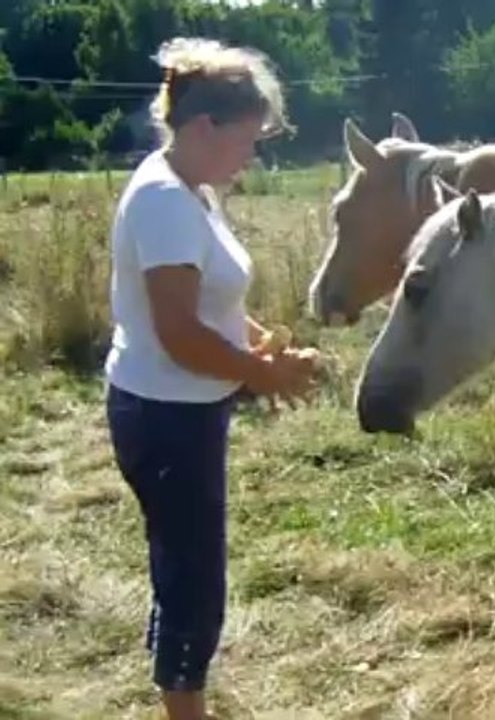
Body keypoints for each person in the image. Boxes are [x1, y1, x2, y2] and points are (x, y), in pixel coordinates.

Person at [103, 37, 318, 720]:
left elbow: (212, 309)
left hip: (182, 410)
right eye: (246, 140)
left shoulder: (193, 190)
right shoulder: (165, 202)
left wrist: (260, 347)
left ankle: (179, 689)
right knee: (193, 581)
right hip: (165, 417)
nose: (250, 156)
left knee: (186, 568)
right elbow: (180, 332)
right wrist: (263, 374)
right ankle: (183, 707)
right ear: (205, 127)